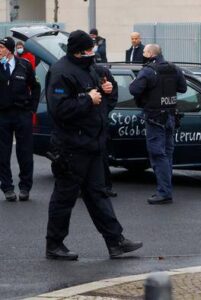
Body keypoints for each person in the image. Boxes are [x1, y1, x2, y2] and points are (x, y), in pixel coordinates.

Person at [45, 30, 142, 260]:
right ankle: (54, 244)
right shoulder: (60, 72)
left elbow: (100, 97)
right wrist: (88, 99)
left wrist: (105, 92)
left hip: (92, 144)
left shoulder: (89, 68)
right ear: (78, 51)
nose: (93, 53)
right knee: (64, 197)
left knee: (98, 194)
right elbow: (59, 110)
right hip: (71, 147)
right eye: (89, 50)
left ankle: (115, 241)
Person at [129, 44, 186, 204]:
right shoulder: (174, 68)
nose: (143, 54)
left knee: (157, 154)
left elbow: (134, 89)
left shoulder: (148, 70)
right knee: (167, 154)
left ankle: (164, 193)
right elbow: (183, 88)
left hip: (155, 118)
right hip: (171, 117)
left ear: (150, 54)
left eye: (145, 52)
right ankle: (166, 190)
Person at [0, 37, 40, 202]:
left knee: (25, 152)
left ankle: (25, 187)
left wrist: (32, 108)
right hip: (2, 116)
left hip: (22, 114)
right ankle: (7, 188)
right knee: (2, 153)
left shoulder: (25, 65)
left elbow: (35, 87)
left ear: (9, 49)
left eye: (1, 47)